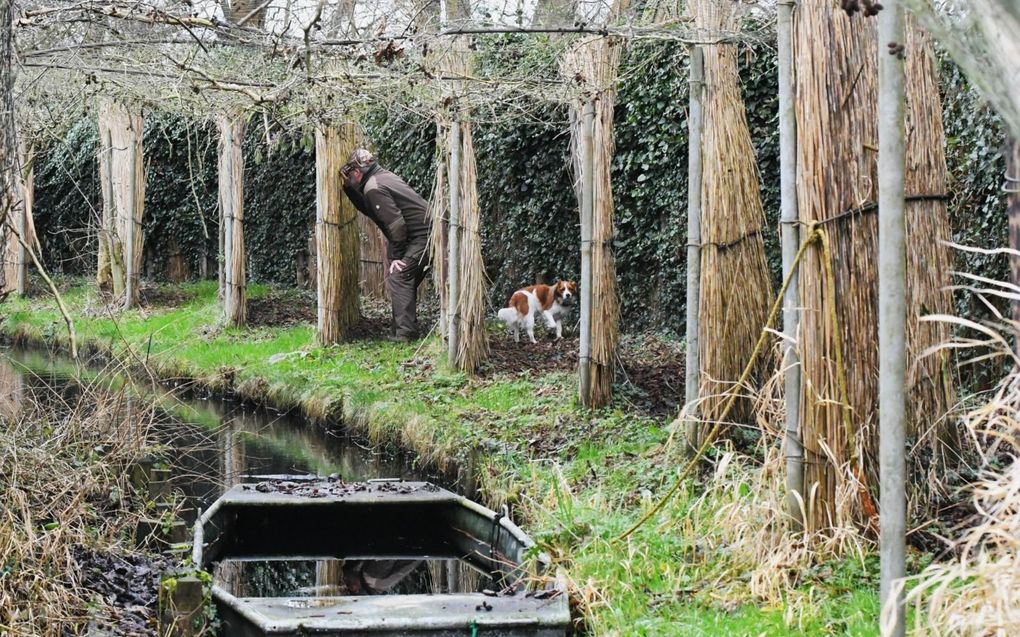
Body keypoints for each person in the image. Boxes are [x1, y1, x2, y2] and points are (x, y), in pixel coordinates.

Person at [340, 148, 432, 342]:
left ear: (357, 172)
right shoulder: (381, 177)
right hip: (424, 233)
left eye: (351, 173)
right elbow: (370, 209)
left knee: (399, 275)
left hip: (425, 236)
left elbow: (396, 226)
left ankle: (405, 335)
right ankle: (403, 328)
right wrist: (349, 188)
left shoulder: (373, 187)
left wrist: (397, 257)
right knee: (403, 279)